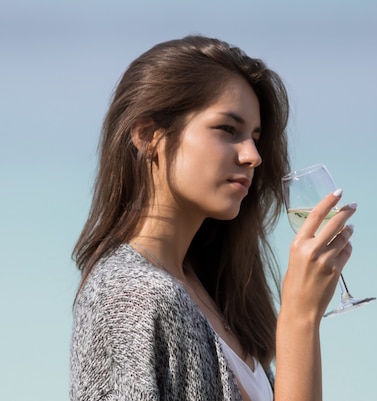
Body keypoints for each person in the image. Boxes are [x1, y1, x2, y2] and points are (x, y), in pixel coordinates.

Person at [69, 35, 357, 401]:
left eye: (254, 137)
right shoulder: (130, 294)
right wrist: (299, 318)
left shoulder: (213, 294)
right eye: (227, 129)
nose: (252, 155)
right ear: (148, 135)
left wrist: (304, 319)